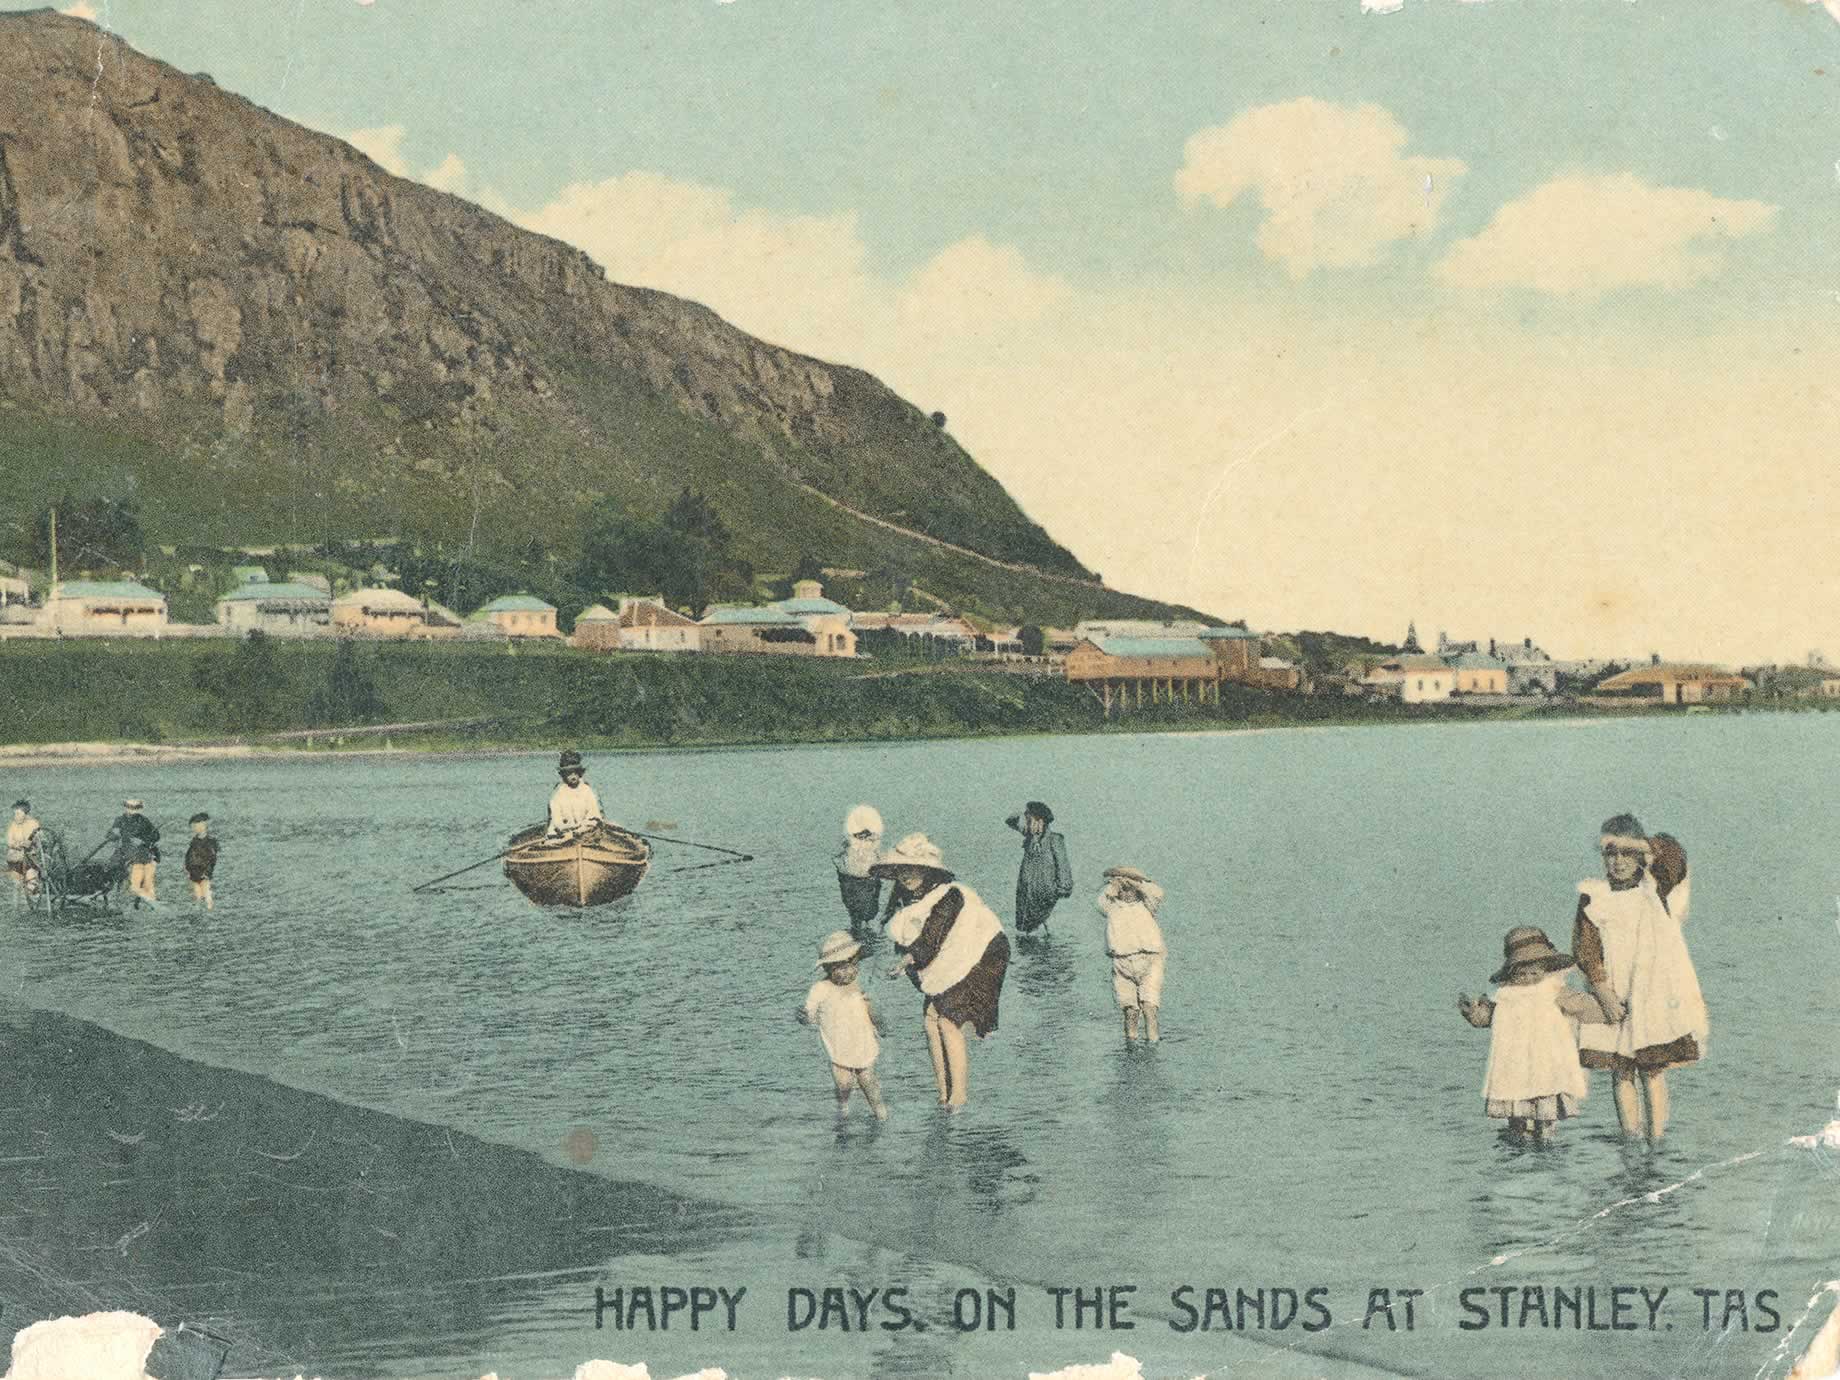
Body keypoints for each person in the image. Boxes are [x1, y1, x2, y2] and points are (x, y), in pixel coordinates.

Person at [1570, 813, 1708, 1142]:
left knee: (1653, 1069)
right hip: (1614, 992)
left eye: (1626, 853)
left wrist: (1639, 844)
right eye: (1610, 854)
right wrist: (1603, 994)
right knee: (1621, 1069)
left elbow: (1674, 854)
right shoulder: (1593, 896)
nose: (1618, 862)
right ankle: (1631, 1140)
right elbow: (1586, 951)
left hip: (1652, 994)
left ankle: (1656, 1141)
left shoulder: (1656, 889)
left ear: (1641, 855)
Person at [875, 833, 1010, 1109]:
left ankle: (958, 1096)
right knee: (930, 1018)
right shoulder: (905, 898)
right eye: (902, 870)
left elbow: (931, 938)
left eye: (914, 870)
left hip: (981, 955)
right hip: (947, 959)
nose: (907, 876)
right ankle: (942, 1092)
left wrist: (906, 961)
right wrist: (902, 960)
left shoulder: (949, 895)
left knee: (948, 1021)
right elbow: (898, 933)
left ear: (928, 871)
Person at [1458, 926, 1617, 1141]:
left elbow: (1585, 1007)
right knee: (1515, 1104)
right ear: (1511, 972)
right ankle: (1518, 1132)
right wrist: (1472, 1012)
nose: (1528, 977)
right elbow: (1487, 1018)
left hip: (1546, 1063)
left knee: (1545, 1104)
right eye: (1521, 973)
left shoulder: (1554, 990)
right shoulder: (1505, 995)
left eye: (1535, 971)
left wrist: (1611, 1010)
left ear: (1546, 967)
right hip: (1515, 1065)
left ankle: (1544, 1133)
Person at [796, 931, 888, 1120]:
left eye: (853, 965)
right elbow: (809, 1013)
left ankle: (880, 1112)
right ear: (828, 969)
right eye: (842, 968)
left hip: (863, 1041)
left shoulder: (860, 986)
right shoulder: (821, 989)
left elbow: (872, 1009)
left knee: (868, 1080)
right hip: (838, 1045)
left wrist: (882, 1026)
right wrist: (803, 1017)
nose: (849, 972)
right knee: (843, 1082)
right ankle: (843, 1105)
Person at [1099, 866, 1168, 1043]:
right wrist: (1113, 885)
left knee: (1149, 1007)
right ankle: (1131, 1045)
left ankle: (1152, 1044)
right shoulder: (1112, 906)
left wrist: (1136, 883)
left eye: (1129, 888)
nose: (1126, 892)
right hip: (1121, 963)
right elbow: (1099, 904)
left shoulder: (1146, 904)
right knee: (1129, 1010)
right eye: (1123, 888)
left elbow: (1158, 893)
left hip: (1149, 961)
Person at [1006, 801, 1073, 935]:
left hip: (1047, 901)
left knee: (1047, 939)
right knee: (1029, 938)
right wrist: (1025, 813)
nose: (1027, 824)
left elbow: (1063, 868)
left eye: (1030, 820)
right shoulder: (1029, 840)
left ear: (1040, 821)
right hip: (1028, 900)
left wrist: (1056, 891)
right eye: (1027, 820)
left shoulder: (1055, 839)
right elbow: (1010, 820)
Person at [834, 804, 885, 930]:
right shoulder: (852, 852)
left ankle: (861, 928)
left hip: (861, 878)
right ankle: (862, 928)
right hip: (856, 878)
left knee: (862, 912)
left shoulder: (868, 851)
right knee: (859, 911)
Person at [107, 799, 160, 908]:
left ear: (139, 809)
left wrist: (143, 841)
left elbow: (156, 836)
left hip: (139, 850)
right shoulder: (119, 820)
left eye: (135, 808)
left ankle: (138, 895)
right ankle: (114, 891)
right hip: (124, 849)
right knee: (112, 866)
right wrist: (114, 833)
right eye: (130, 807)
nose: (132, 810)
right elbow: (109, 836)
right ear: (125, 808)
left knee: (139, 870)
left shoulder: (144, 821)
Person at [546, 750, 604, 838]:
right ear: (563, 775)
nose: (573, 776)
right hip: (563, 833)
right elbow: (557, 821)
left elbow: (594, 816)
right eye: (569, 773)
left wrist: (582, 827)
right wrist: (571, 828)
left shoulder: (587, 791)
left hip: (585, 830)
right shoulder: (557, 795)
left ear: (580, 773)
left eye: (575, 772)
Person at [6, 799, 41, 905]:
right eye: (14, 813)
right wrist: (17, 844)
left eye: (18, 813)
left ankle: (33, 907)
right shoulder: (13, 825)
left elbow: (37, 839)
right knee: (16, 883)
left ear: (25, 813)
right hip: (16, 857)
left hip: (30, 858)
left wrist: (30, 842)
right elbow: (9, 841)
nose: (15, 816)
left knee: (31, 882)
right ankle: (16, 907)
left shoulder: (33, 824)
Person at [184, 812, 219, 911]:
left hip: (204, 870)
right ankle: (199, 908)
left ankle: (209, 907)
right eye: (193, 826)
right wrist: (188, 868)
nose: (194, 828)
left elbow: (212, 858)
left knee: (205, 889)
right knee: (197, 891)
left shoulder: (210, 841)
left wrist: (207, 871)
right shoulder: (194, 841)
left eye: (196, 826)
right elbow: (189, 856)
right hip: (194, 870)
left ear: (204, 825)